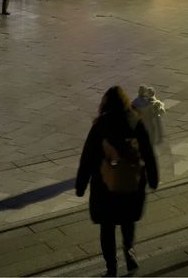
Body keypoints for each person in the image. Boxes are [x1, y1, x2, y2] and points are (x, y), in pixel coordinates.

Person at [76, 86, 159, 278]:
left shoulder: (100, 125)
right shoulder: (135, 122)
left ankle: (111, 268)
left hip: (105, 187)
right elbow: (148, 153)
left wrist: (81, 185)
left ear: (105, 103)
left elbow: (87, 158)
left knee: (107, 227)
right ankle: (129, 249)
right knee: (127, 220)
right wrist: (153, 178)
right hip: (131, 184)